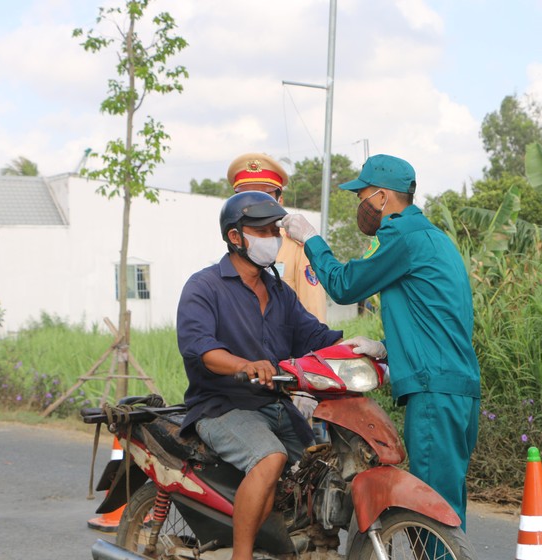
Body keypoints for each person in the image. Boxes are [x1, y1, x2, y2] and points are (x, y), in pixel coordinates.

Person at [281, 154, 480, 530]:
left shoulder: (400, 236)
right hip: (460, 388)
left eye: (363, 195)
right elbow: (439, 317)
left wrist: (311, 240)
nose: (361, 204)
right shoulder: (435, 240)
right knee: (450, 506)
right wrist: (386, 347)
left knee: (431, 512)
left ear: (384, 198)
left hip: (433, 392)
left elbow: (343, 285)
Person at [176, 191, 343, 560]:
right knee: (269, 458)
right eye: (262, 230)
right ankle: (243, 555)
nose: (273, 238)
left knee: (325, 470)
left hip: (277, 406)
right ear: (235, 237)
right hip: (221, 406)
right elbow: (199, 348)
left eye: (275, 230)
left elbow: (314, 338)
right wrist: (243, 364)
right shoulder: (204, 287)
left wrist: (359, 346)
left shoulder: (279, 291)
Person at [227, 152, 328, 322]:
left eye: (263, 197)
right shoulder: (234, 241)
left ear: (279, 200)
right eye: (246, 196)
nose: (253, 205)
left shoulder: (298, 247)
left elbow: (314, 313)